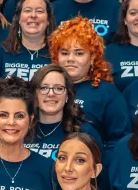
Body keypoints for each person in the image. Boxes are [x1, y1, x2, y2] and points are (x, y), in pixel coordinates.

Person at [49, 16, 131, 147]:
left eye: (79, 53)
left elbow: (119, 142)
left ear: (92, 57)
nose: (70, 59)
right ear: (56, 57)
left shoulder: (108, 94)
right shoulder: (45, 89)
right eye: (64, 53)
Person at [26, 64, 103, 158]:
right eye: (43, 88)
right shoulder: (21, 130)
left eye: (58, 88)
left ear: (67, 95)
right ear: (34, 94)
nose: (51, 94)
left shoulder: (85, 131)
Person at [1, 0, 55, 80]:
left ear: (48, 20)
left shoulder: (58, 53)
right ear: (18, 18)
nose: (33, 15)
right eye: (27, 10)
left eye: (39, 11)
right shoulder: (2, 51)